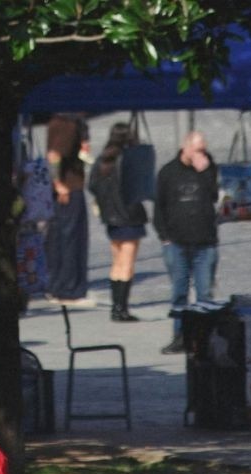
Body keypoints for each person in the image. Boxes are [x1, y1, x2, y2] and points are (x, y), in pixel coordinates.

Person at [154, 130, 220, 354]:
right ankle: (180, 337)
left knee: (205, 294)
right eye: (198, 149)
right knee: (179, 293)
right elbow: (159, 206)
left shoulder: (208, 167)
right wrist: (164, 237)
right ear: (186, 147)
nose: (202, 153)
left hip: (205, 241)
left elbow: (214, 196)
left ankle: (204, 339)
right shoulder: (168, 172)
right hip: (177, 242)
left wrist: (205, 172)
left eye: (204, 149)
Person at [88, 122, 149, 322]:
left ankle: (116, 306)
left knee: (117, 263)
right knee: (127, 264)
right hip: (130, 217)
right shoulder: (129, 159)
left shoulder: (103, 160)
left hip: (111, 218)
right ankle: (121, 308)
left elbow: (93, 185)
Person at [44, 113, 92, 305]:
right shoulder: (67, 124)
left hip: (69, 186)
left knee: (64, 237)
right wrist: (58, 184)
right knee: (71, 238)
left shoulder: (66, 121)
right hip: (69, 189)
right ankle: (68, 289)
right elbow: (54, 155)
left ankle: (62, 286)